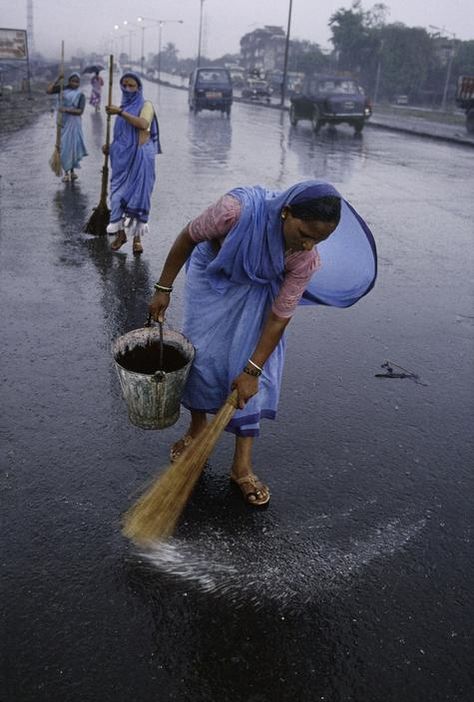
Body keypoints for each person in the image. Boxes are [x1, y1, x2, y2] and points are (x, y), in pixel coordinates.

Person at [148, 180, 377, 507]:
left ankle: (241, 465)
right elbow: (188, 237)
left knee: (252, 375)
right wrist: (163, 288)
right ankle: (197, 428)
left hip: (261, 289)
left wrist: (252, 371)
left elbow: (280, 316)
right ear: (285, 213)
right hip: (215, 275)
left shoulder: (305, 259)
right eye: (305, 234)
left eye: (319, 240)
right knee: (201, 358)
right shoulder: (233, 212)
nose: (310, 245)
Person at [104, 72, 161, 255]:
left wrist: (120, 112)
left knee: (137, 199)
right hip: (121, 163)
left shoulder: (146, 105)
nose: (127, 89)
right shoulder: (122, 108)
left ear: (139, 88)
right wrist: (111, 147)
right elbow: (121, 137)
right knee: (117, 198)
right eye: (124, 86)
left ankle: (137, 239)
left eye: (131, 86)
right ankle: (121, 234)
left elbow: (143, 124)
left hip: (140, 160)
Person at [46, 72, 88, 182]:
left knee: (72, 147)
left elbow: (80, 111)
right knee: (63, 147)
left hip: (74, 123)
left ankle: (72, 171)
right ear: (69, 81)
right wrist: (58, 78)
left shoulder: (80, 95)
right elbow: (49, 91)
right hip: (63, 122)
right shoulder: (62, 89)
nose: (75, 83)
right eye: (73, 81)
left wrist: (66, 110)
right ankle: (66, 171)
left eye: (77, 82)